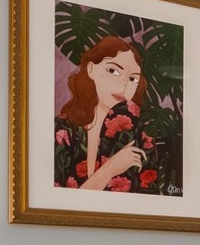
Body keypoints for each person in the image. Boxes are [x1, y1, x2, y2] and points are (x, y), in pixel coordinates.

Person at [54, 36, 154, 193]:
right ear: (91, 69)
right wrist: (110, 169)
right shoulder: (62, 130)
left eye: (133, 79)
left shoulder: (138, 133)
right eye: (113, 71)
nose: (124, 85)